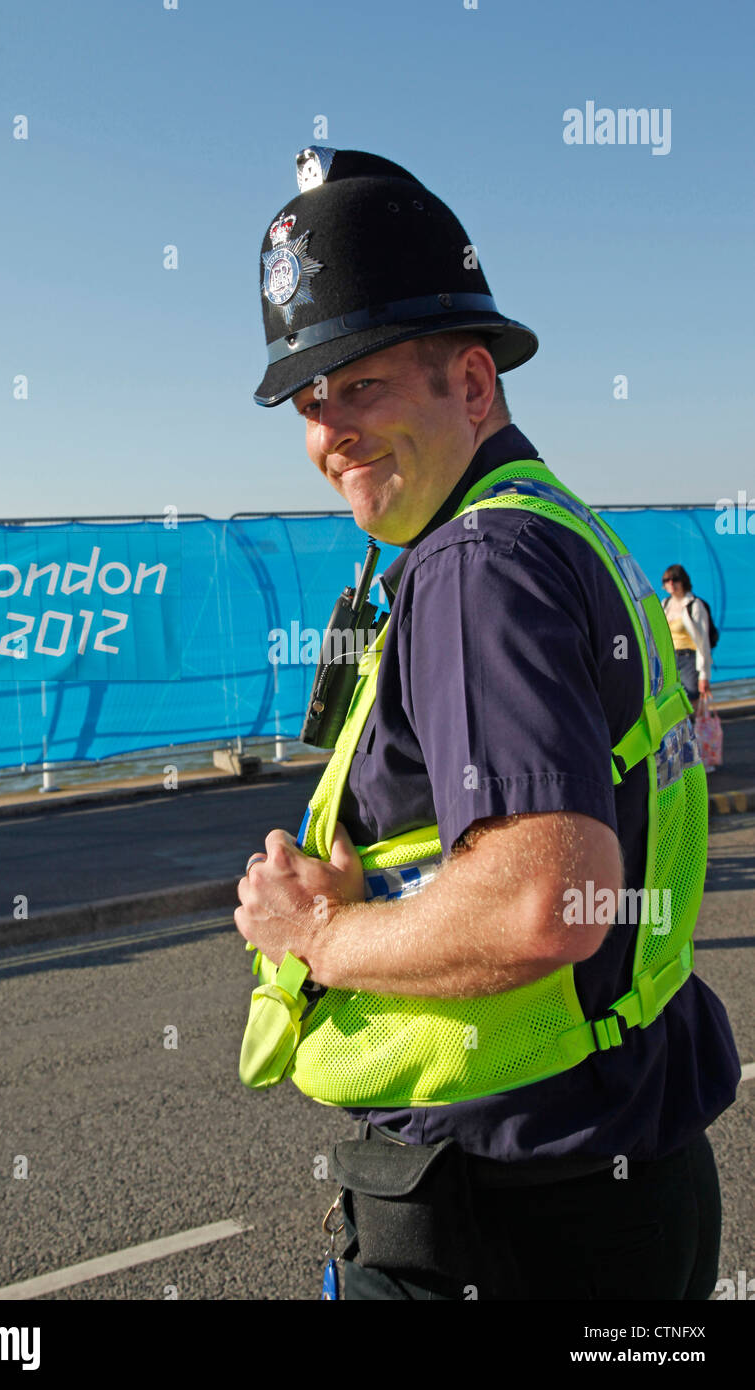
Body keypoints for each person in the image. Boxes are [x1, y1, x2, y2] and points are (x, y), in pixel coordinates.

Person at [234, 147, 740, 1301]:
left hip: (506, 1215)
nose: (328, 432)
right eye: (308, 400)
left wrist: (312, 937)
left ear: (471, 385)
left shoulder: (475, 564)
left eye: (359, 384)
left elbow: (544, 898)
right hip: (622, 1168)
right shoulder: (556, 526)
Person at [661, 563, 712, 708]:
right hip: (670, 659)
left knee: (691, 702)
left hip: (689, 658)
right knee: (672, 703)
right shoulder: (665, 604)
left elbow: (703, 642)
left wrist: (704, 675)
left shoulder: (694, 605)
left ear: (683, 581)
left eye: (675, 579)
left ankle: (696, 729)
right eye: (667, 580)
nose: (671, 583)